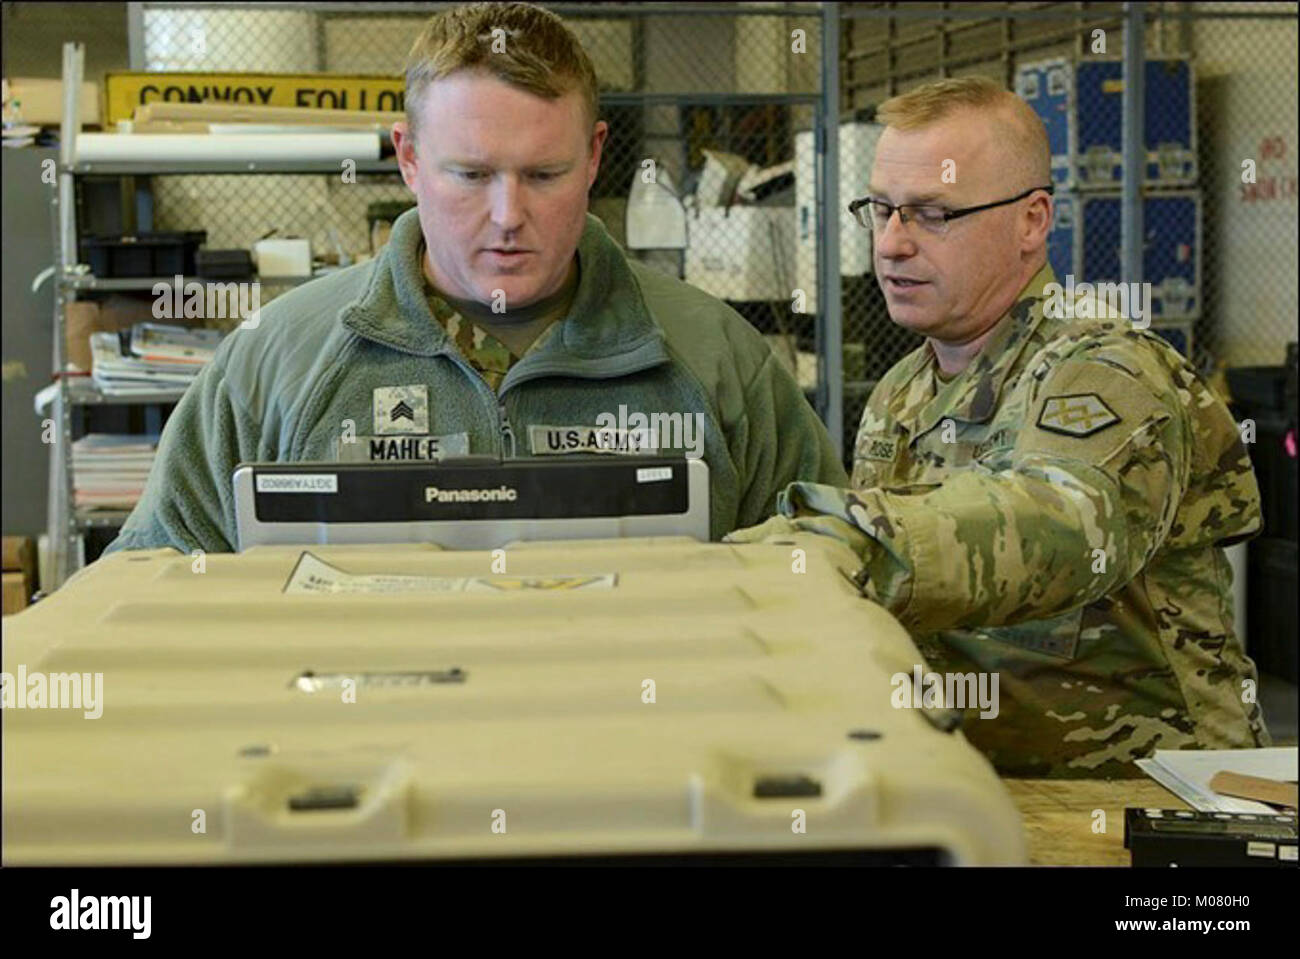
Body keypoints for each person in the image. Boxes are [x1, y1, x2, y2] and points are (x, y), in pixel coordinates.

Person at [104, 1, 845, 555]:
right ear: (408, 157)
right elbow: (148, 583)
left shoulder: (713, 358)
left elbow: (831, 580)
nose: (507, 214)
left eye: (545, 174)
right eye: (471, 174)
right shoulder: (278, 362)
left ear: (593, 157)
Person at [728, 76, 1270, 778]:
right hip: (979, 786)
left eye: (932, 214)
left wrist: (850, 542)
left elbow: (1061, 524)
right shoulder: (901, 395)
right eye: (883, 210)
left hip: (1148, 801)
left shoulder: (1107, 370)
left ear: (1032, 221)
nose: (892, 244)